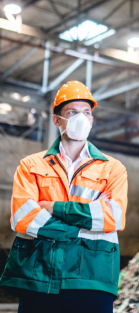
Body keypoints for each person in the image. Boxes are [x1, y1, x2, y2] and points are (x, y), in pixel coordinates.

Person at [0, 81, 128, 313]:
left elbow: (113, 218)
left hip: (91, 277)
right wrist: (82, 230)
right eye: (72, 112)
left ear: (91, 119)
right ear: (57, 119)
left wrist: (54, 207)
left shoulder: (112, 168)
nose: (82, 118)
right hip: (39, 275)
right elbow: (23, 217)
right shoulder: (31, 165)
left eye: (87, 113)